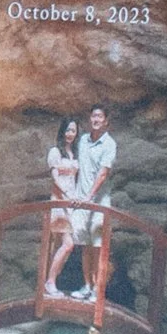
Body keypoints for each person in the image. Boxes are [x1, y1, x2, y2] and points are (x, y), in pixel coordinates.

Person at [73, 106, 118, 305]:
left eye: (100, 116)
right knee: (85, 246)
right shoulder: (83, 140)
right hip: (81, 202)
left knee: (99, 247)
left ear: (106, 121)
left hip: (98, 202)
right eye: (93, 116)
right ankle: (86, 286)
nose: (96, 119)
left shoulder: (109, 144)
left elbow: (103, 173)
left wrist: (89, 197)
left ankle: (97, 290)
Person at [43, 118, 86, 298]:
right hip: (60, 202)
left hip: (72, 203)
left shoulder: (74, 153)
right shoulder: (55, 152)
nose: (70, 134)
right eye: (68, 130)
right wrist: (67, 196)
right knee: (67, 244)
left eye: (73, 131)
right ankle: (50, 281)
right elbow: (55, 178)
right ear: (62, 131)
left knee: (63, 246)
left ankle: (50, 280)